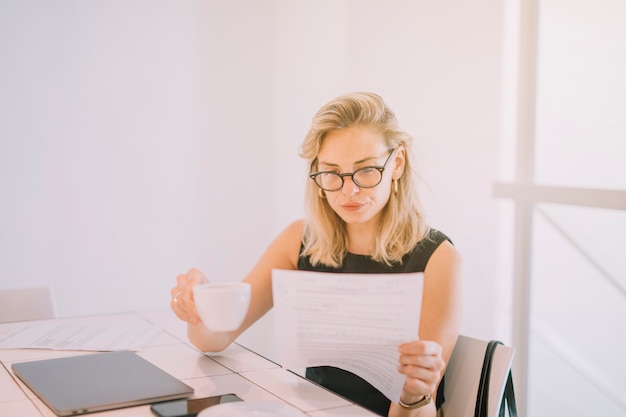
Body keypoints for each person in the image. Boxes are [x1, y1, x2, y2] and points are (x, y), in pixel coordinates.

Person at [170, 92, 462, 417]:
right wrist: (202, 306)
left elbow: (418, 407)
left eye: (366, 170)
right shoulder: (299, 242)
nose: (348, 190)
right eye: (331, 172)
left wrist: (412, 395)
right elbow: (214, 340)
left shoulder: (439, 260)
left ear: (397, 163)